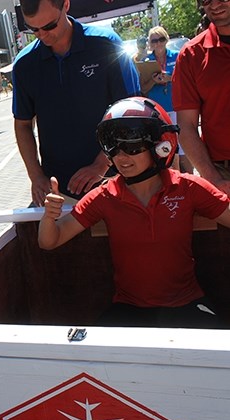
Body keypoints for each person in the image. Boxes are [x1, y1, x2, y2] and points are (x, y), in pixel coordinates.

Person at [39, 97, 230, 328]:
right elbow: (50, 240)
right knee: (92, 360)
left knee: (218, 354)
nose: (121, 156)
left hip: (185, 304)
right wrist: (49, 216)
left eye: (131, 144)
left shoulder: (188, 188)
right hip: (129, 309)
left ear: (161, 145)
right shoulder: (104, 196)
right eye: (112, 145)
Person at [12, 0, 140, 204]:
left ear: (66, 5)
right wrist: (36, 176)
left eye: (49, 26)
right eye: (33, 29)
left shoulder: (106, 44)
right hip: (61, 189)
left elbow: (132, 113)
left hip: (116, 179)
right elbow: (23, 125)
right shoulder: (25, 65)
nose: (42, 35)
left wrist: (100, 164)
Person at [172, 0, 230, 195]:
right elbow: (186, 126)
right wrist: (214, 179)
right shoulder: (191, 55)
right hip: (223, 171)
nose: (214, 4)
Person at [141, 26, 192, 173]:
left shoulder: (177, 56)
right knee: (167, 147)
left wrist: (170, 78)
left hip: (177, 106)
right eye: (154, 40)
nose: (158, 43)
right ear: (150, 43)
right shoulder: (146, 61)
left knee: (184, 147)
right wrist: (153, 81)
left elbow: (188, 81)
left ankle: (192, 180)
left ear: (166, 39)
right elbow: (143, 89)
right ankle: (175, 182)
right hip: (158, 110)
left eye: (161, 39)